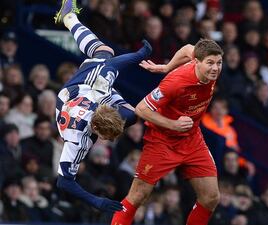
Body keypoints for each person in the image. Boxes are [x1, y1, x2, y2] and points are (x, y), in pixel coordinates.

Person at [52, 0, 152, 213]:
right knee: (132, 114)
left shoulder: (78, 138)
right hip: (80, 100)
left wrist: (139, 55)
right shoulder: (80, 140)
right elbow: (64, 182)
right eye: (107, 137)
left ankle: (69, 17)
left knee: (104, 53)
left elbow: (113, 65)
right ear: (96, 129)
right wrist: (96, 200)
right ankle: (69, 17)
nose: (107, 141)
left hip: (74, 95)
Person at [111, 39, 224, 225]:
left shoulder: (209, 71)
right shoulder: (176, 83)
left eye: (219, 63)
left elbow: (188, 48)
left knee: (211, 198)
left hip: (192, 139)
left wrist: (167, 66)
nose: (215, 68)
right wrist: (173, 125)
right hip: (162, 140)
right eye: (210, 63)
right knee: (138, 196)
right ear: (197, 62)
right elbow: (141, 109)